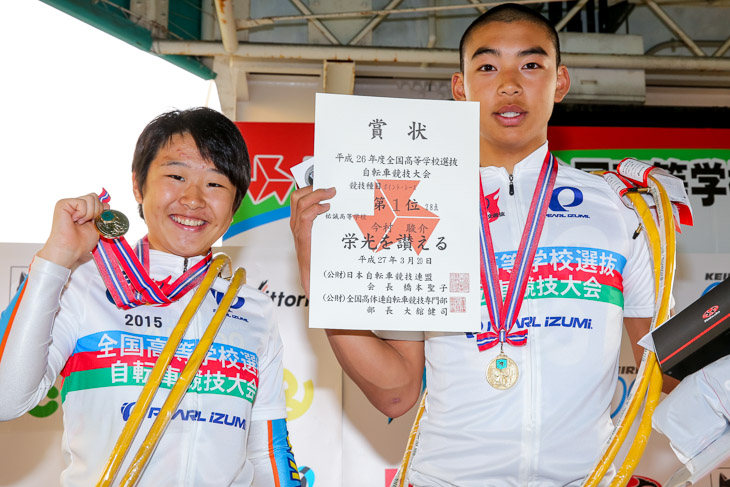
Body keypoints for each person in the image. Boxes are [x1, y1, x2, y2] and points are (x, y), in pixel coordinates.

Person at [291, 4, 663, 486]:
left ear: (561, 80)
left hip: (588, 479)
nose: (509, 84)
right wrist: (318, 275)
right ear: (460, 87)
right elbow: (397, 394)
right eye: (487, 67)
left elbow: (666, 370)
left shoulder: (620, 210)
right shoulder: (417, 202)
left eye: (531, 65)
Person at [0, 108, 301, 487]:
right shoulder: (85, 284)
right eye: (176, 176)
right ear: (138, 186)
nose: (193, 199)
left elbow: (266, 450)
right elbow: (5, 399)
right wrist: (57, 260)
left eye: (215, 184)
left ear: (235, 204)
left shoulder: (252, 309)